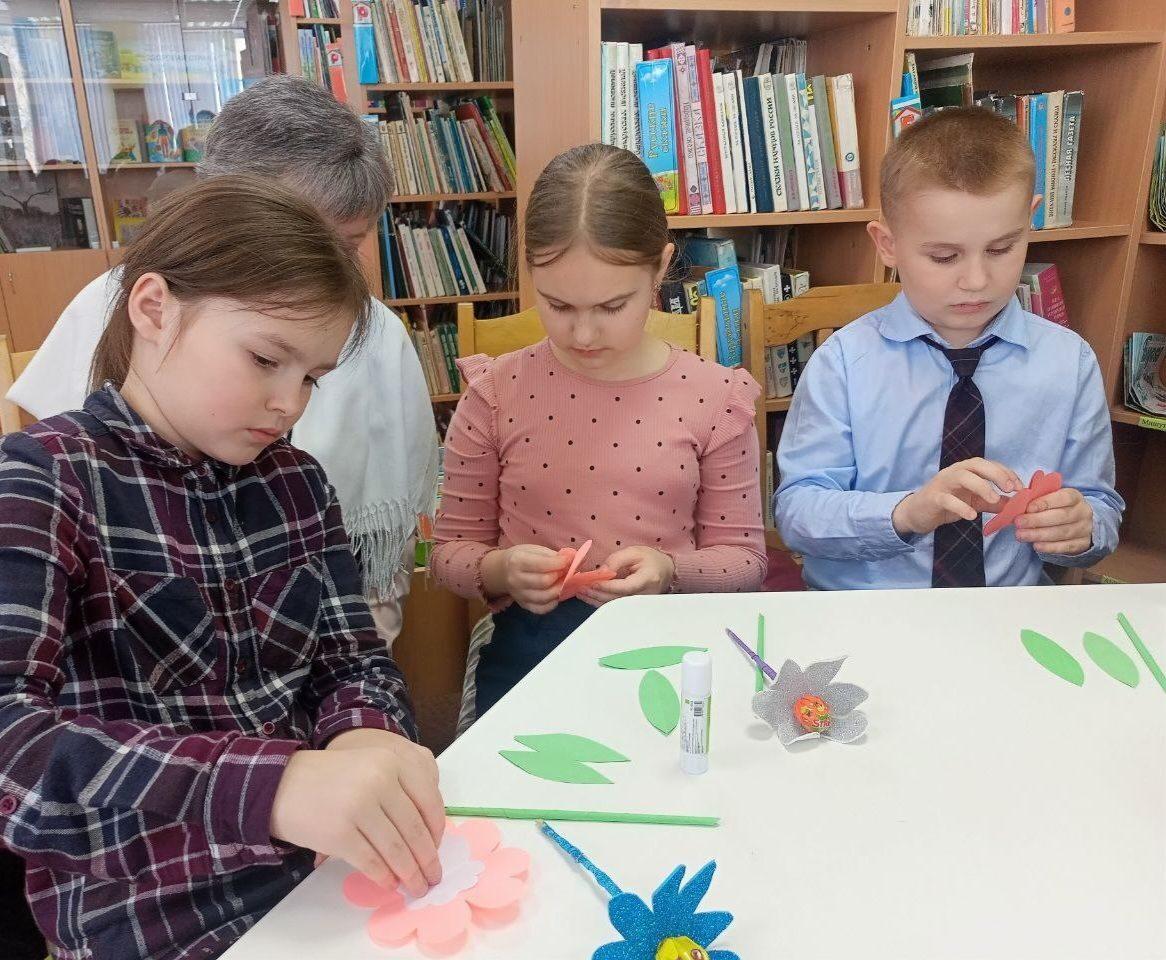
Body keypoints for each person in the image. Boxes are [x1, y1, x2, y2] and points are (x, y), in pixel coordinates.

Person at [0, 176, 445, 960]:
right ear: (153, 309)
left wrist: (362, 737)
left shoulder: (297, 482)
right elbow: (13, 740)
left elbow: (353, 660)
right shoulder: (45, 478)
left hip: (323, 878)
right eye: (266, 359)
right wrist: (269, 786)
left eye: (311, 377)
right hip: (146, 913)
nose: (290, 404)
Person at [6, 74, 437, 645]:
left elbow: (372, 595)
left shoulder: (313, 456)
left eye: (345, 247)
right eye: (284, 237)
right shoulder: (54, 462)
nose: (289, 405)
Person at [432, 143, 767, 719]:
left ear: (660, 268)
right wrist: (500, 570)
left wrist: (670, 571)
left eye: (613, 306)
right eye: (558, 305)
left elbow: (745, 560)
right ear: (530, 269)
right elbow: (448, 555)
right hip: (532, 652)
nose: (583, 334)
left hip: (673, 647)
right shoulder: (495, 394)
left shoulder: (716, 399)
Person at [775, 107, 1124, 589]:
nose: (976, 280)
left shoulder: (1070, 362)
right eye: (944, 256)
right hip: (865, 612)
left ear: (1031, 221)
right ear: (887, 244)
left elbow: (1100, 509)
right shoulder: (843, 363)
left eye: (1001, 249)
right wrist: (907, 513)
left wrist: (1082, 528)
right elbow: (797, 512)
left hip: (1005, 611)